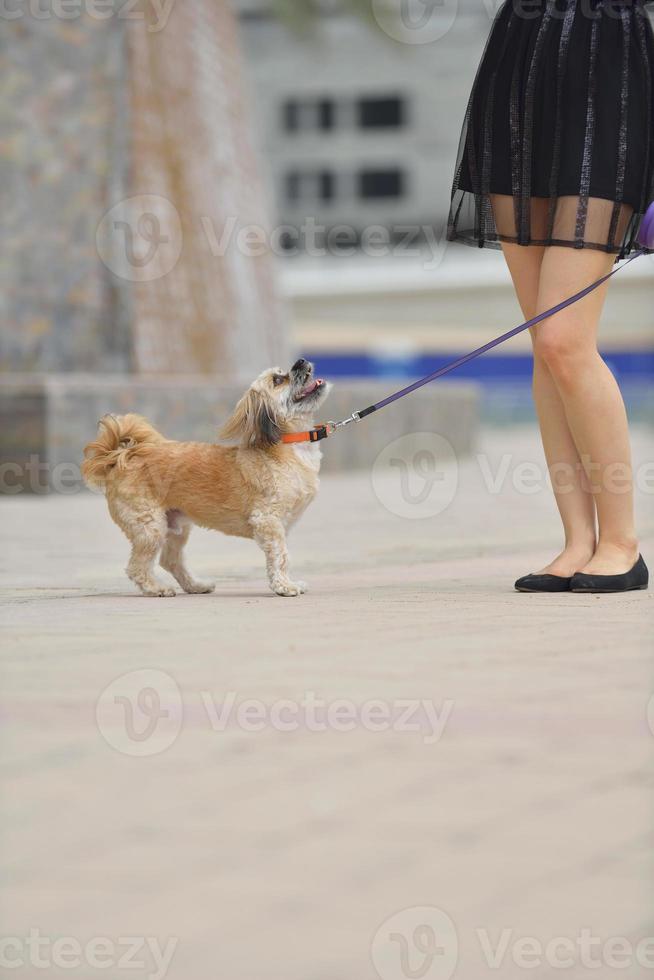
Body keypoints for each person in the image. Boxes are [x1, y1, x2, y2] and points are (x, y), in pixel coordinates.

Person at [448, 0, 653, 593]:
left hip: (611, 83)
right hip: (520, 73)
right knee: (545, 341)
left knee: (566, 340)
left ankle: (622, 543)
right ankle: (577, 540)